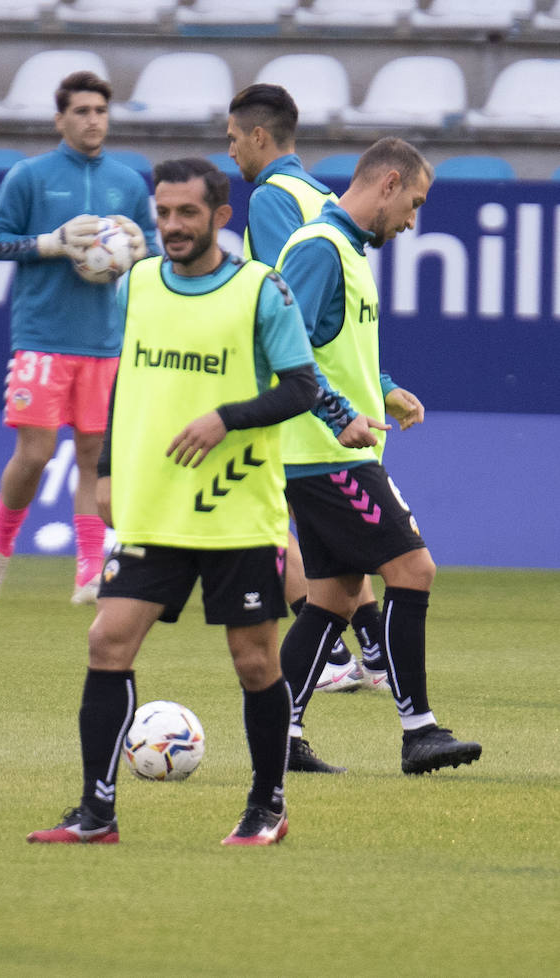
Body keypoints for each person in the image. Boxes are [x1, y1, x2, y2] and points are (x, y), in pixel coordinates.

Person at [27, 158, 320, 847]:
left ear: (221, 216)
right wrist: (101, 471)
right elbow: (125, 382)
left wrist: (227, 418)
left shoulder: (260, 290)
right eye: (163, 214)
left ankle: (266, 808)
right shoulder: (138, 285)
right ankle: (97, 814)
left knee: (254, 662)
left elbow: (301, 388)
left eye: (187, 213)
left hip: (235, 509)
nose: (173, 226)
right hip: (154, 509)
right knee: (107, 642)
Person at [273, 137, 482, 776]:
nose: (413, 221)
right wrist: (340, 414)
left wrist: (384, 389)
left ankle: (278, 733)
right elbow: (288, 347)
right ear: (387, 183)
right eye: (414, 203)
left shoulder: (347, 252)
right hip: (326, 454)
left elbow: (336, 346)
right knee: (414, 569)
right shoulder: (318, 248)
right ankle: (418, 731)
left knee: (332, 597)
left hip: (329, 452)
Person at [226, 83, 391, 716]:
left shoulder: (271, 198)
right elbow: (341, 314)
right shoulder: (319, 194)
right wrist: (385, 383)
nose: (231, 150)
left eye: (235, 138)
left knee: (269, 525)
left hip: (296, 402)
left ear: (260, 137)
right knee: (340, 541)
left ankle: (338, 660)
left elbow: (283, 309)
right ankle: (371, 653)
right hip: (338, 398)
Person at [0, 70, 155, 606]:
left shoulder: (128, 182)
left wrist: (142, 253)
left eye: (100, 110)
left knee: (93, 458)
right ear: (60, 119)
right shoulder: (30, 176)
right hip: (43, 337)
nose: (93, 119)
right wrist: (48, 243)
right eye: (81, 111)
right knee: (36, 452)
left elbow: (152, 255)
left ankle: (89, 571)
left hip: (105, 341)